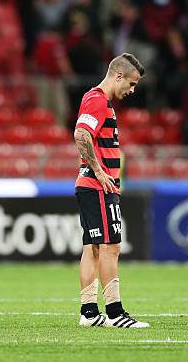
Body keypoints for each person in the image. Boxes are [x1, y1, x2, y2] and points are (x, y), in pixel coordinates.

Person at [74, 53, 149, 328]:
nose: (132, 90)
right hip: (98, 186)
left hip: (89, 185)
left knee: (92, 249)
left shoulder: (95, 100)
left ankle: (89, 312)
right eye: (131, 83)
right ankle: (116, 313)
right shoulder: (97, 100)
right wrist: (99, 171)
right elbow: (81, 135)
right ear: (118, 76)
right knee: (110, 247)